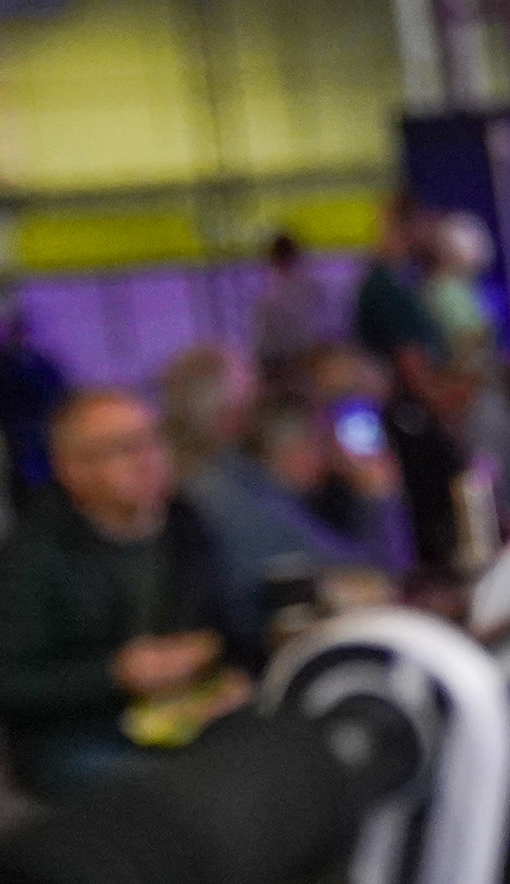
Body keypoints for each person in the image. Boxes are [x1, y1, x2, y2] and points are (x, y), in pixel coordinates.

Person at [0, 387, 253, 796]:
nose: (146, 458)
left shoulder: (186, 522)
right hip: (80, 734)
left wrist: (227, 671)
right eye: (122, 448)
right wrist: (115, 674)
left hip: (186, 712)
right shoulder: (29, 554)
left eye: (153, 440)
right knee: (178, 794)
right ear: (71, 469)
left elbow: (226, 620)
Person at [155, 341, 380, 643]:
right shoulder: (212, 487)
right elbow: (358, 566)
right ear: (226, 413)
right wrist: (376, 498)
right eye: (250, 400)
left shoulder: (228, 469)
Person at [354, 194, 471, 579]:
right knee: (433, 514)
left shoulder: (395, 281)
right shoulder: (387, 286)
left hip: (409, 415)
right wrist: (444, 403)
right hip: (411, 420)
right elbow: (411, 363)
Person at [0, 307, 69, 499]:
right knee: (31, 479)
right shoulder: (6, 366)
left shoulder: (36, 362)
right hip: (24, 431)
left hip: (39, 428)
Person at [248, 229, 341, 381]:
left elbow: (263, 351)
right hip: (313, 367)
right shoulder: (316, 290)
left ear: (273, 262)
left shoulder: (269, 301)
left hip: (295, 369)